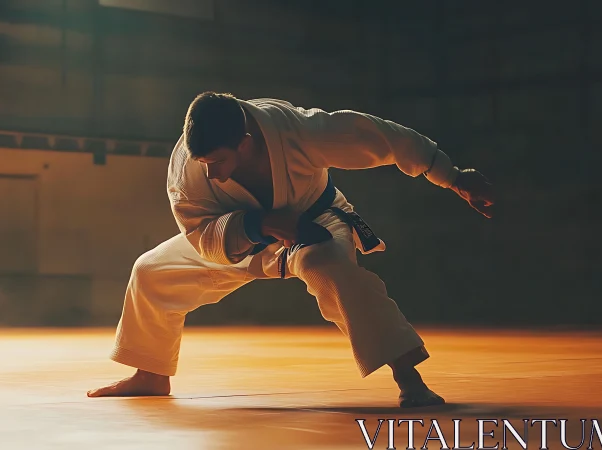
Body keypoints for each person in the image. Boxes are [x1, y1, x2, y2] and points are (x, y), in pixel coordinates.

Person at [87, 92, 494, 407]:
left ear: (245, 143)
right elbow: (199, 234)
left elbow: (383, 138)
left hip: (313, 221)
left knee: (329, 265)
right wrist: (258, 224)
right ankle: (152, 374)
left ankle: (409, 378)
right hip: (237, 239)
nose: (211, 171)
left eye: (219, 161)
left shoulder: (298, 131)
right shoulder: (187, 166)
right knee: (151, 271)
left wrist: (453, 176)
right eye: (203, 161)